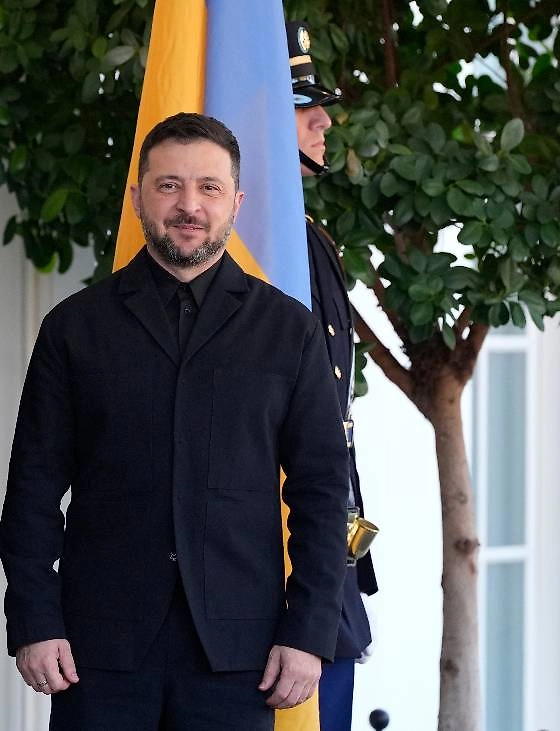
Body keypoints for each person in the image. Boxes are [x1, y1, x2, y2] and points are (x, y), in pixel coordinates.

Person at [0, 112, 349, 730]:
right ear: (137, 198)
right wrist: (34, 617)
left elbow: (321, 489)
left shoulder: (289, 330)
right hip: (96, 652)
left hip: (243, 656)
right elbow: (32, 488)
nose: (189, 205)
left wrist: (310, 630)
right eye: (169, 186)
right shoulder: (74, 328)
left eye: (209, 187)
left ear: (236, 202)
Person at [288, 20, 379, 731]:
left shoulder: (310, 238)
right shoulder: (256, 247)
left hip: (321, 544)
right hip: (269, 553)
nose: (323, 120)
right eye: (301, 106)